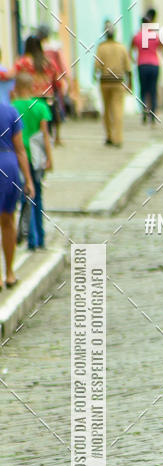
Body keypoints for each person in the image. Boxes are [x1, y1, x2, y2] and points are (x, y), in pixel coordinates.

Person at [12, 72, 53, 250]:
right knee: (38, 196)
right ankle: (41, 239)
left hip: (18, 156)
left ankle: (30, 238)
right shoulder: (41, 107)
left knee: (24, 197)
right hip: (36, 157)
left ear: (16, 88)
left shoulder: (12, 107)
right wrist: (49, 158)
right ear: (31, 87)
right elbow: (45, 135)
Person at [0, 100, 34, 288]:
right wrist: (28, 179)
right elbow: (20, 149)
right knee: (8, 221)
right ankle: (10, 273)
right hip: (9, 164)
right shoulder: (10, 111)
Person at [130, 11, 163, 125]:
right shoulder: (155, 36)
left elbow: (129, 50)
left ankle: (144, 110)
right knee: (153, 90)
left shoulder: (136, 36)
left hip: (142, 65)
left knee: (143, 90)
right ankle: (153, 115)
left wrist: (133, 60)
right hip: (154, 65)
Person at [94, 24, 132, 147]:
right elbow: (128, 67)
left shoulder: (101, 48)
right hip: (118, 81)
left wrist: (94, 76)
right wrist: (130, 83)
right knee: (118, 110)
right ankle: (118, 138)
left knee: (107, 110)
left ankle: (109, 136)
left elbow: (97, 66)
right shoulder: (121, 47)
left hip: (105, 82)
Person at [36, 24, 72, 144]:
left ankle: (48, 137)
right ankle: (57, 138)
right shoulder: (55, 48)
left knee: (44, 112)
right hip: (52, 85)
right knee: (56, 111)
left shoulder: (37, 50)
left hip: (40, 86)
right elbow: (61, 67)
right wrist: (65, 80)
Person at [15, 36, 60, 131]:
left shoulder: (23, 62)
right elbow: (57, 79)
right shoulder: (48, 62)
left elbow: (9, 75)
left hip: (31, 98)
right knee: (47, 127)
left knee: (32, 128)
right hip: (47, 97)